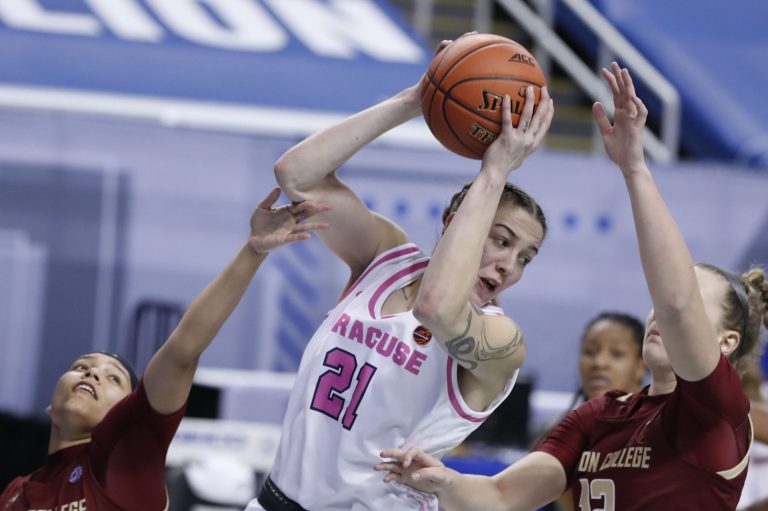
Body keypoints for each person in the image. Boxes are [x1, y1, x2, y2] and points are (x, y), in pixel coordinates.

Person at [376, 63, 768, 510]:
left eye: (698, 305)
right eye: (654, 303)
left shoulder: (719, 414)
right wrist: (443, 480)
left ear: (726, 342)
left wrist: (635, 169)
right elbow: (502, 497)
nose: (659, 310)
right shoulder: (602, 414)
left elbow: (676, 302)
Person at [248, 35, 555, 511]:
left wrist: (495, 171)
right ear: (456, 223)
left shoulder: (501, 340)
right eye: (501, 240)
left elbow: (437, 308)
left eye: (526, 257)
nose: (509, 265)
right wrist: (417, 98)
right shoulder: (384, 256)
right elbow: (297, 176)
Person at [0, 187, 329, 511]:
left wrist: (254, 251)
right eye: (81, 367)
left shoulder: (121, 457)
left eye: (113, 378)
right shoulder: (17, 492)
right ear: (49, 405)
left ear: (130, 410)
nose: (92, 374)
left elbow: (182, 352)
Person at [543, 311, 647, 511]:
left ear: (641, 366)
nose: (599, 363)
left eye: (616, 354)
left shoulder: (657, 429)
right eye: (590, 352)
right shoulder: (559, 433)